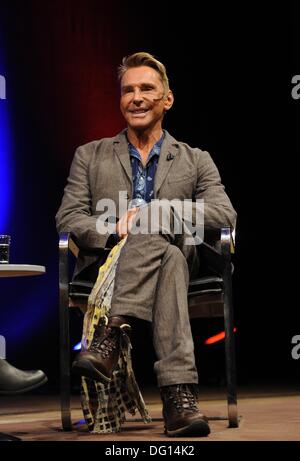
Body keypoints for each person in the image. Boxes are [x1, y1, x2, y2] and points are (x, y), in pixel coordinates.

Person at [56, 52, 236, 437]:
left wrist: (158, 213)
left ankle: (113, 333)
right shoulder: (89, 156)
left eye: (146, 89)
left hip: (185, 261)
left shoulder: (195, 159)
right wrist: (113, 229)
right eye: (127, 90)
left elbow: (224, 214)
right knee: (167, 258)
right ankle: (179, 399)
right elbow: (68, 217)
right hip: (110, 263)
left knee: (159, 225)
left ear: (166, 99)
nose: (135, 97)